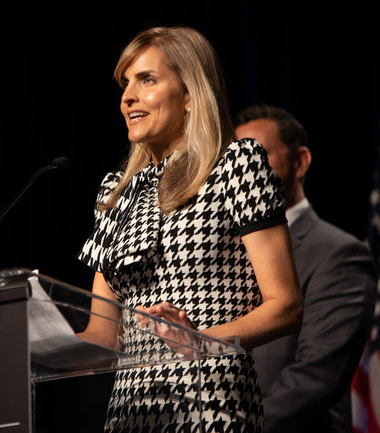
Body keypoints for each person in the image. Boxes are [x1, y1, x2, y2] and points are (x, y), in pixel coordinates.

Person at [76, 27, 303, 432]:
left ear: (190, 94)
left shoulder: (236, 166)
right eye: (126, 83)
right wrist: (34, 347)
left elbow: (285, 305)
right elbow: (102, 333)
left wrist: (202, 341)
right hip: (130, 412)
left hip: (210, 403)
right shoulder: (116, 193)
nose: (128, 95)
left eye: (146, 79)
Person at [234, 104, 377, 433]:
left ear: (301, 162)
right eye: (235, 162)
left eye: (258, 157)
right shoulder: (225, 251)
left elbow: (314, 379)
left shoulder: (340, 254)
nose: (244, 173)